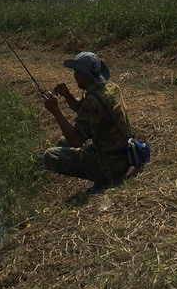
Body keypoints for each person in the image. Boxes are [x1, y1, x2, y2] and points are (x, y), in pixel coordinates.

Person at [42, 51, 132, 190]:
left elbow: (76, 140)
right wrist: (67, 95)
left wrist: (55, 111)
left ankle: (104, 179)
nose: (74, 76)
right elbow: (84, 109)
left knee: (49, 156)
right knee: (61, 142)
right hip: (125, 154)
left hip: (111, 166)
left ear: (84, 76)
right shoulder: (110, 87)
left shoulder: (93, 100)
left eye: (76, 73)